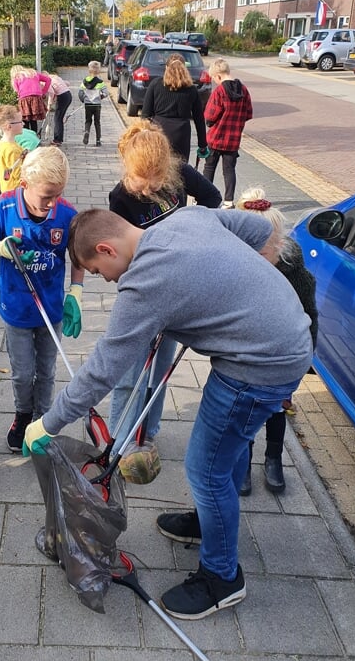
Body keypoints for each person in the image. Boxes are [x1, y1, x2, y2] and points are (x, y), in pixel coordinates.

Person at [23, 206, 311, 620]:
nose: (108, 280)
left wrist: (47, 422)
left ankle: (222, 578)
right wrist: (245, 285)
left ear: (106, 248)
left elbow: (103, 369)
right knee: (223, 453)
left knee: (205, 469)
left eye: (99, 270)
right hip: (285, 339)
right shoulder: (183, 220)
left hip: (260, 366)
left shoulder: (145, 282)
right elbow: (260, 228)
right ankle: (211, 525)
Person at [104, 121, 220, 482]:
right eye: (143, 180)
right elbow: (120, 258)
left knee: (162, 366)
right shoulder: (119, 198)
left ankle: (147, 431)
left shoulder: (180, 174)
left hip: (179, 286)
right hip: (144, 290)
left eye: (157, 179)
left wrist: (191, 226)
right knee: (129, 370)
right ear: (129, 169)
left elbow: (213, 199)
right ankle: (119, 439)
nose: (151, 187)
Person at [0, 146, 85, 452]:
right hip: (17, 307)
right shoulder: (6, 206)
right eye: (46, 197)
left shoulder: (66, 214)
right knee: (24, 373)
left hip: (51, 308)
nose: (51, 204)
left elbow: (77, 257)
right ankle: (23, 414)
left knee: (48, 370)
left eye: (57, 195)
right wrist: (0, 248)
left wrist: (75, 293)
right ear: (24, 184)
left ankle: (43, 419)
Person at [233, 187, 318, 495]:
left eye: (262, 251)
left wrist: (301, 368)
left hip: (282, 354)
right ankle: (242, 459)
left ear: (278, 244)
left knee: (277, 408)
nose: (255, 258)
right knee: (243, 408)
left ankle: (273, 458)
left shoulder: (295, 273)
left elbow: (310, 318)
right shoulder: (234, 263)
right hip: (245, 352)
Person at [202, 59, 255, 209]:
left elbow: (210, 115)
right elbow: (248, 113)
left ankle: (205, 198)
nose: (214, 81)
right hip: (233, 140)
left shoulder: (219, 91)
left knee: (209, 167)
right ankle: (228, 201)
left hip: (216, 138)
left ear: (218, 76)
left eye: (213, 78)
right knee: (229, 170)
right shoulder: (244, 90)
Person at [140, 54, 208, 163]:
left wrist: (144, 137)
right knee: (181, 170)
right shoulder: (191, 89)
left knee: (159, 168)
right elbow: (199, 119)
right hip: (182, 135)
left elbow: (145, 115)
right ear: (184, 69)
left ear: (166, 68)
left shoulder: (155, 84)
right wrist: (202, 145)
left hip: (159, 132)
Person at [0, 104, 39, 193]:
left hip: (8, 188)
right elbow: (19, 176)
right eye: (20, 121)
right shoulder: (12, 150)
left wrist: (24, 153)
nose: (23, 124)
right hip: (14, 192)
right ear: (9, 126)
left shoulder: (4, 142)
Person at [10, 65, 52, 134]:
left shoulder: (16, 77)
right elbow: (48, 80)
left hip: (24, 99)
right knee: (33, 119)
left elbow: (18, 91)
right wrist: (43, 91)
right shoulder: (33, 73)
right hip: (36, 98)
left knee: (25, 119)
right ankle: (34, 137)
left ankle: (27, 137)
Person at [78, 60, 107, 147]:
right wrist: (100, 96)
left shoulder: (84, 81)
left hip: (88, 105)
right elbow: (105, 93)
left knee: (88, 120)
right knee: (97, 122)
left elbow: (80, 93)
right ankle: (98, 141)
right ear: (98, 71)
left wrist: (84, 99)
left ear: (89, 70)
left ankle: (87, 131)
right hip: (97, 105)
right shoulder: (100, 82)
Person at [47, 71, 73, 146]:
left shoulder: (48, 80)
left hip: (62, 97)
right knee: (60, 118)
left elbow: (51, 92)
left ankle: (57, 140)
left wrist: (49, 104)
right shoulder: (56, 78)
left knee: (57, 118)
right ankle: (59, 139)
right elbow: (68, 83)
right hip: (68, 95)